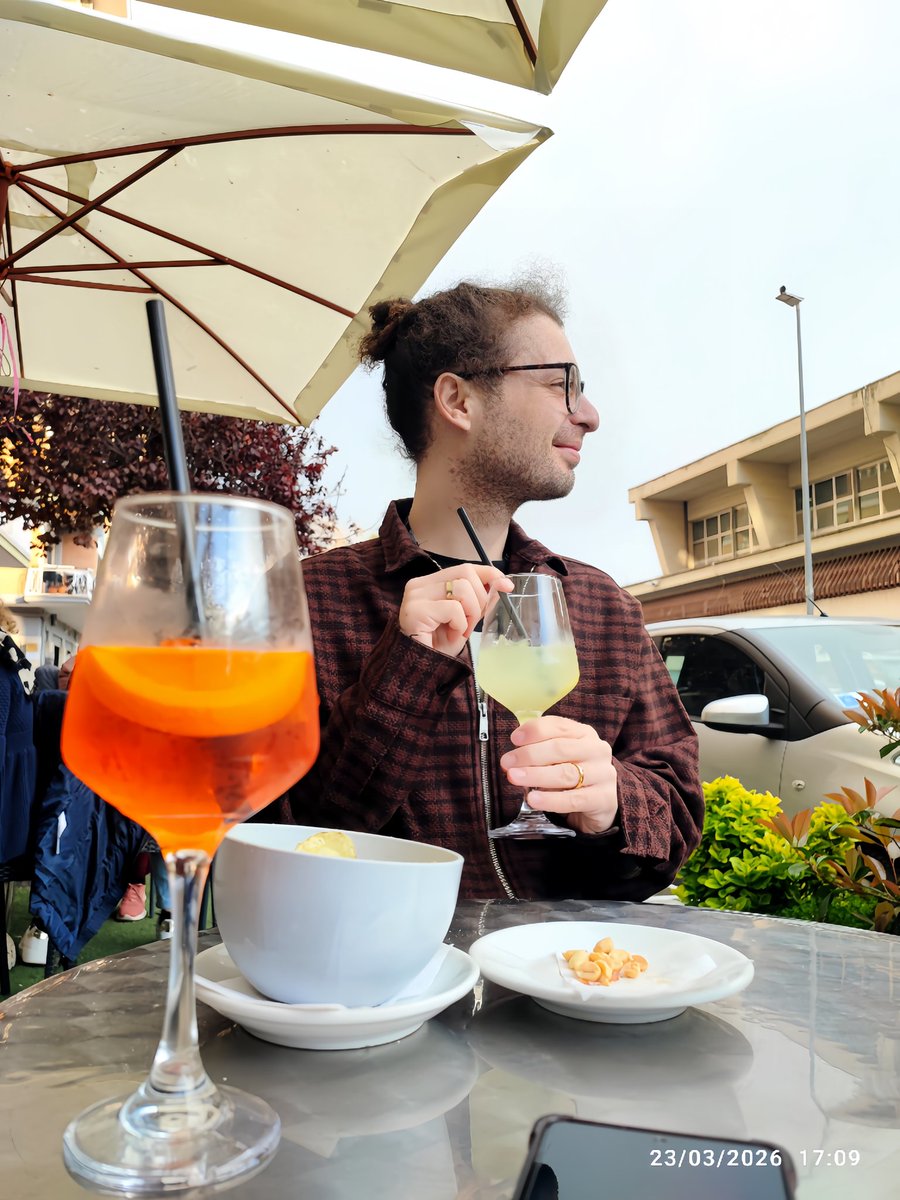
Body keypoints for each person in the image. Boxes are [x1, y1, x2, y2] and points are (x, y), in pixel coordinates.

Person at [283, 280, 703, 900]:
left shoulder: (599, 605)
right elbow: (290, 836)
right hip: (387, 982)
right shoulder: (305, 602)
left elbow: (676, 822)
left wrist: (612, 801)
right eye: (562, 383)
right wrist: (405, 671)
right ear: (458, 399)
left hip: (569, 980)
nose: (587, 414)